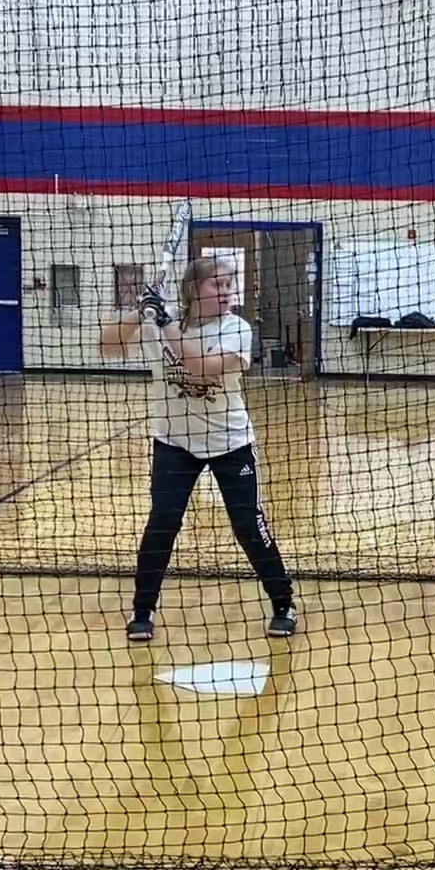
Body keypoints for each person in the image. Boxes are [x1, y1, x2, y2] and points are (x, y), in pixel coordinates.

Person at [98, 256, 296, 641]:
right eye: (217, 284)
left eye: (229, 285)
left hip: (230, 442)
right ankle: (143, 610)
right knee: (163, 522)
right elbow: (107, 345)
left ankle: (283, 603)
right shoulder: (162, 322)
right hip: (174, 442)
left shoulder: (236, 328)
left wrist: (164, 322)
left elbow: (202, 367)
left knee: (247, 525)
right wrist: (140, 311)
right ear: (193, 289)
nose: (226, 292)